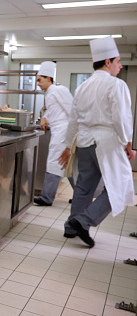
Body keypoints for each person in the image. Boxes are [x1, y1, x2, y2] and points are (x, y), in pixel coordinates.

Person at [59, 36, 135, 248]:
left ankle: (70, 227)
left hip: (84, 141)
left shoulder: (83, 86)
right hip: (107, 141)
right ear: (108, 62)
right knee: (119, 184)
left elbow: (73, 120)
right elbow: (122, 117)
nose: (120, 66)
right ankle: (83, 222)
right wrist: (128, 143)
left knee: (84, 186)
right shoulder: (116, 85)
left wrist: (67, 145)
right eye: (118, 61)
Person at [33, 61, 74, 207]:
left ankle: (46, 198)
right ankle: (82, 196)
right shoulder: (50, 93)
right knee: (67, 166)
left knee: (55, 163)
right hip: (58, 131)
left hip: (63, 131)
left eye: (40, 80)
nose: (38, 83)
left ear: (49, 78)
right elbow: (52, 109)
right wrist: (45, 117)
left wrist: (72, 135)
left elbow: (72, 111)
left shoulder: (59, 90)